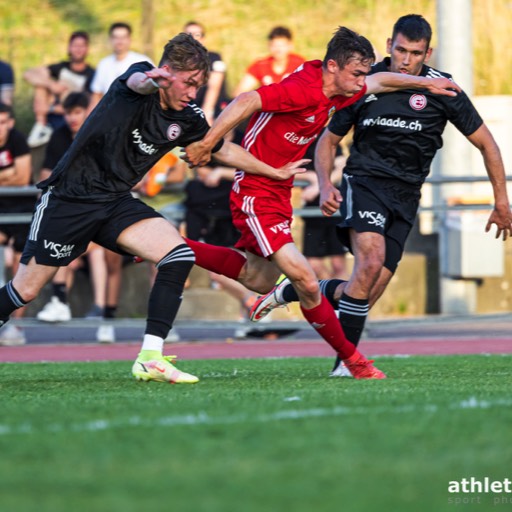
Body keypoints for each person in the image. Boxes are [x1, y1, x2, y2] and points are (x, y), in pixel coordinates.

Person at [0, 33, 306, 382]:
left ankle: (150, 356)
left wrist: (274, 171)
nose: (193, 93)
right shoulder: (137, 81)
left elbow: (220, 149)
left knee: (178, 255)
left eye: (199, 85)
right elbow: (138, 81)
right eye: (188, 83)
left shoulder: (188, 117)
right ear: (166, 73)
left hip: (115, 203)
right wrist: (150, 79)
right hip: (70, 199)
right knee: (24, 291)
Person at [183, 26, 460, 379]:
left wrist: (426, 84)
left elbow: (379, 83)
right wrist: (208, 142)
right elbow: (246, 100)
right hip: (255, 187)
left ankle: (177, 249)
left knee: (258, 278)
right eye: (357, 73)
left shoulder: (339, 89)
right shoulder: (302, 89)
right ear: (333, 66)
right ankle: (354, 363)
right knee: (307, 281)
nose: (364, 80)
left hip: (278, 188)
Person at [248, 15, 512, 377]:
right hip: (365, 182)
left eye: (415, 53)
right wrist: (326, 184)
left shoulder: (442, 89)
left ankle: (292, 291)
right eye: (400, 50)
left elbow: (486, 143)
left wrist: (501, 201)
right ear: (389, 45)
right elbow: (327, 140)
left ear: (428, 52)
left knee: (367, 289)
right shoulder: (363, 83)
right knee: (370, 262)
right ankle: (348, 365)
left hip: (406, 196)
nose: (406, 59)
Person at [23, 31, 94, 148]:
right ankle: (41, 126)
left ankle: (43, 125)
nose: (78, 49)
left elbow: (85, 105)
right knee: (41, 82)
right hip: (50, 112)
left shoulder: (91, 74)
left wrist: (50, 107)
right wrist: (51, 84)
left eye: (82, 46)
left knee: (67, 93)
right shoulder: (62, 67)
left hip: (71, 113)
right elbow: (28, 74)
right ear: (69, 47)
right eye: (75, 45)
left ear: (87, 49)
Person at [0, 103, 32, 346]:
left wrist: (10, 177)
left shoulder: (18, 140)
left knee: (21, 268)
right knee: (5, 259)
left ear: (10, 122)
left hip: (23, 211)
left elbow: (22, 177)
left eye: (3, 123)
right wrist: (8, 175)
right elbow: (15, 175)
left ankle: (15, 327)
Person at [299, 133, 349, 280]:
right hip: (312, 212)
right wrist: (309, 177)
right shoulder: (297, 136)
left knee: (338, 264)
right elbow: (283, 170)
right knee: (313, 264)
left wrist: (320, 186)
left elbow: (341, 166)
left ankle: (339, 300)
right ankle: (330, 296)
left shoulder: (326, 134)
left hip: (335, 208)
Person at [88, 22, 153, 112]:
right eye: (116, 37)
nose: (119, 41)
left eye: (123, 37)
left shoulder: (143, 61)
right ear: (110, 39)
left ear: (130, 39)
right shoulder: (103, 64)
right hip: (109, 115)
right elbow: (96, 94)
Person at [234, 26, 306, 95]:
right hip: (268, 105)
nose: (278, 50)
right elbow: (240, 91)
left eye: (282, 45)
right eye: (275, 45)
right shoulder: (261, 65)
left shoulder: (299, 64)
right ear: (269, 46)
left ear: (290, 45)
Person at [183, 21, 230, 125]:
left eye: (197, 35)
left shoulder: (214, 58)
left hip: (213, 111)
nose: (193, 38)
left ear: (203, 38)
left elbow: (214, 86)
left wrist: (207, 112)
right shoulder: (178, 61)